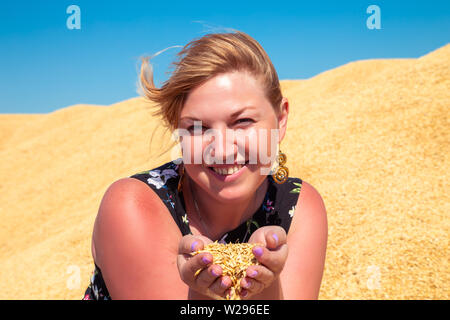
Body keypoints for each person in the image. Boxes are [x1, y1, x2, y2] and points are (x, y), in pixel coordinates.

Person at [83, 30, 327, 300]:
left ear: (280, 120)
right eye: (197, 128)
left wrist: (265, 283)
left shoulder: (298, 206)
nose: (221, 151)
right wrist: (200, 293)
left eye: (242, 122)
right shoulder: (133, 205)